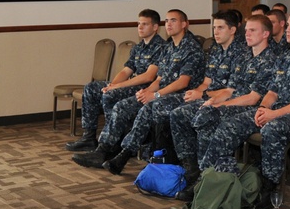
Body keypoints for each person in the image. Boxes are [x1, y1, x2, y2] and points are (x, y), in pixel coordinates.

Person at [200, 10, 290, 209]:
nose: (288, 29)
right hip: (278, 110)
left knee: (272, 129)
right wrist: (263, 108)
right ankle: (212, 178)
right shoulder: (285, 58)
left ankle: (270, 187)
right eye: (287, 25)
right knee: (232, 123)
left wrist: (273, 115)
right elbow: (272, 91)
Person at [105, 10, 241, 174]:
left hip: (209, 98)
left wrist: (158, 95)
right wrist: (148, 92)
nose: (215, 32)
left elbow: (227, 90)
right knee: (143, 105)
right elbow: (204, 82)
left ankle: (185, 166)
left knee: (161, 107)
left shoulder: (231, 52)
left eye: (220, 28)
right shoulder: (214, 50)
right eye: (214, 28)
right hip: (196, 95)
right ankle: (124, 152)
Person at [72, 9, 203, 169]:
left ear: (184, 24)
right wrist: (148, 92)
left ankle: (120, 152)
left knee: (143, 108)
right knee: (121, 106)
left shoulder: (191, 48)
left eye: (173, 20)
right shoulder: (170, 48)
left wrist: (154, 94)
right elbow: (159, 79)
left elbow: (183, 82)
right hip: (160, 93)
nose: (168, 24)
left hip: (180, 95)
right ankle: (104, 150)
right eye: (167, 21)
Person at [171, 14, 277, 200]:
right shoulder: (245, 57)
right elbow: (229, 89)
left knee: (208, 117)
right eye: (247, 30)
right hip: (232, 103)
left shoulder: (270, 60)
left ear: (266, 34)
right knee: (187, 113)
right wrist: (213, 100)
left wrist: (220, 106)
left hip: (249, 108)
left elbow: (253, 98)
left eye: (253, 30)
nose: (248, 34)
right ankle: (199, 171)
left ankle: (207, 177)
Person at [65, 9, 167, 152]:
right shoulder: (138, 47)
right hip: (131, 84)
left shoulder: (161, 47)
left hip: (146, 87)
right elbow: (126, 71)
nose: (140, 27)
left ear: (155, 27)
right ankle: (89, 137)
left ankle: (113, 141)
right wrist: (112, 85)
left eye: (145, 24)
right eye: (138, 24)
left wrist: (116, 87)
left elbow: (148, 76)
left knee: (109, 95)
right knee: (91, 88)